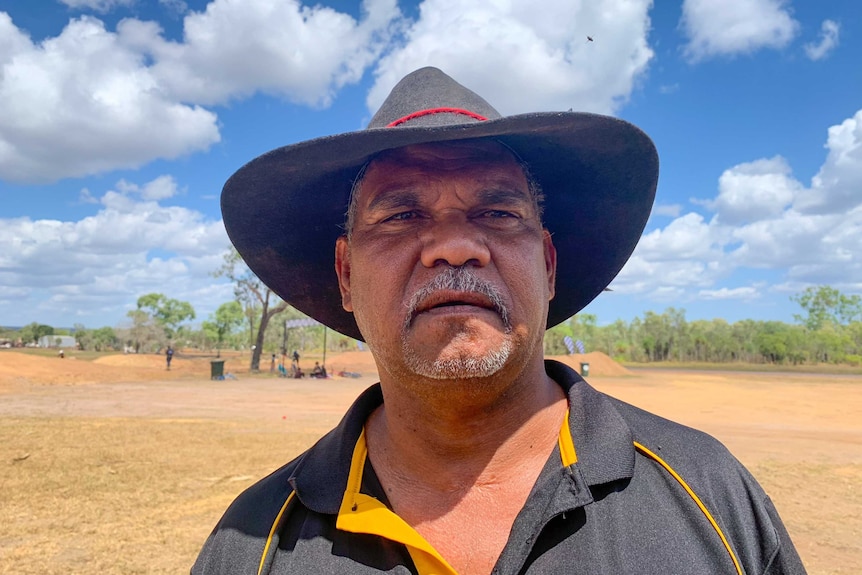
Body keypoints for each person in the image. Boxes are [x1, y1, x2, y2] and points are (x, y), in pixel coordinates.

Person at [193, 68, 806, 574]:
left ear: (546, 263)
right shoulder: (256, 545)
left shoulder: (708, 495)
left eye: (496, 211)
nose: (454, 247)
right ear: (347, 274)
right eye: (402, 216)